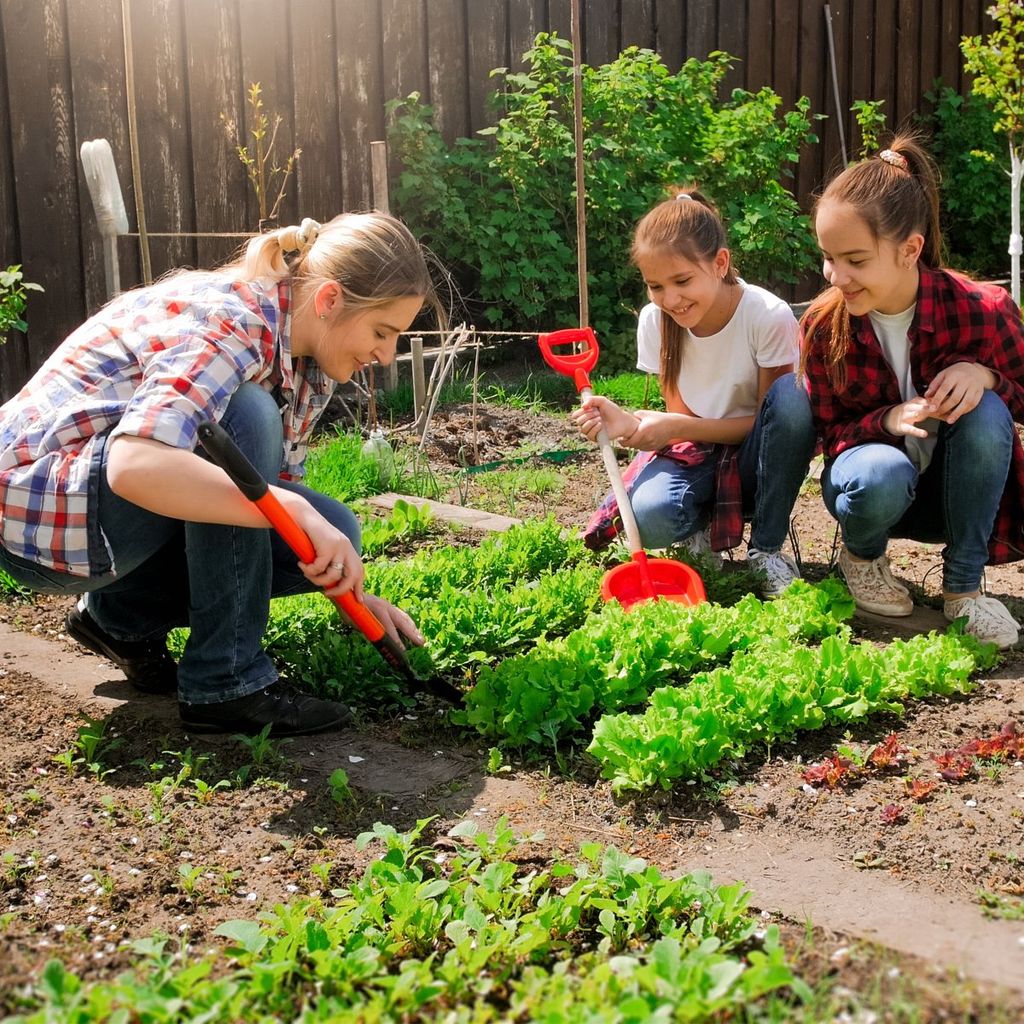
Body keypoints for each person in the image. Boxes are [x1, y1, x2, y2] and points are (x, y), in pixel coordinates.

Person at [0, 213, 437, 734]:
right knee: (242, 415)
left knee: (333, 532)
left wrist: (353, 596)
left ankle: (118, 620)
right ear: (329, 301)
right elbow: (134, 464)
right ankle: (225, 683)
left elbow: (268, 491)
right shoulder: (233, 321)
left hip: (100, 516)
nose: (386, 355)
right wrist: (290, 508)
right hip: (39, 510)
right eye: (382, 332)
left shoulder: (305, 360)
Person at [800, 135, 1024, 648]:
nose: (837, 277)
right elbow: (824, 431)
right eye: (828, 258)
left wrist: (985, 377)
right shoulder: (822, 323)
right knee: (881, 469)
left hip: (954, 497)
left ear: (910, 249)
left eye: (854, 259)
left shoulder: (981, 309)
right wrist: (887, 421)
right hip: (873, 493)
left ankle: (964, 593)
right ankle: (862, 560)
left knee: (986, 410)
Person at [572, 188, 816, 597]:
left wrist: (675, 427)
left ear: (720, 263)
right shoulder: (657, 320)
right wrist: (627, 423)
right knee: (648, 517)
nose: (671, 299)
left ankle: (766, 550)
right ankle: (697, 531)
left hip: (762, 455)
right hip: (700, 450)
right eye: (656, 286)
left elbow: (775, 422)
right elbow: (681, 427)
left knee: (794, 398)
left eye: (682, 281)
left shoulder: (765, 315)